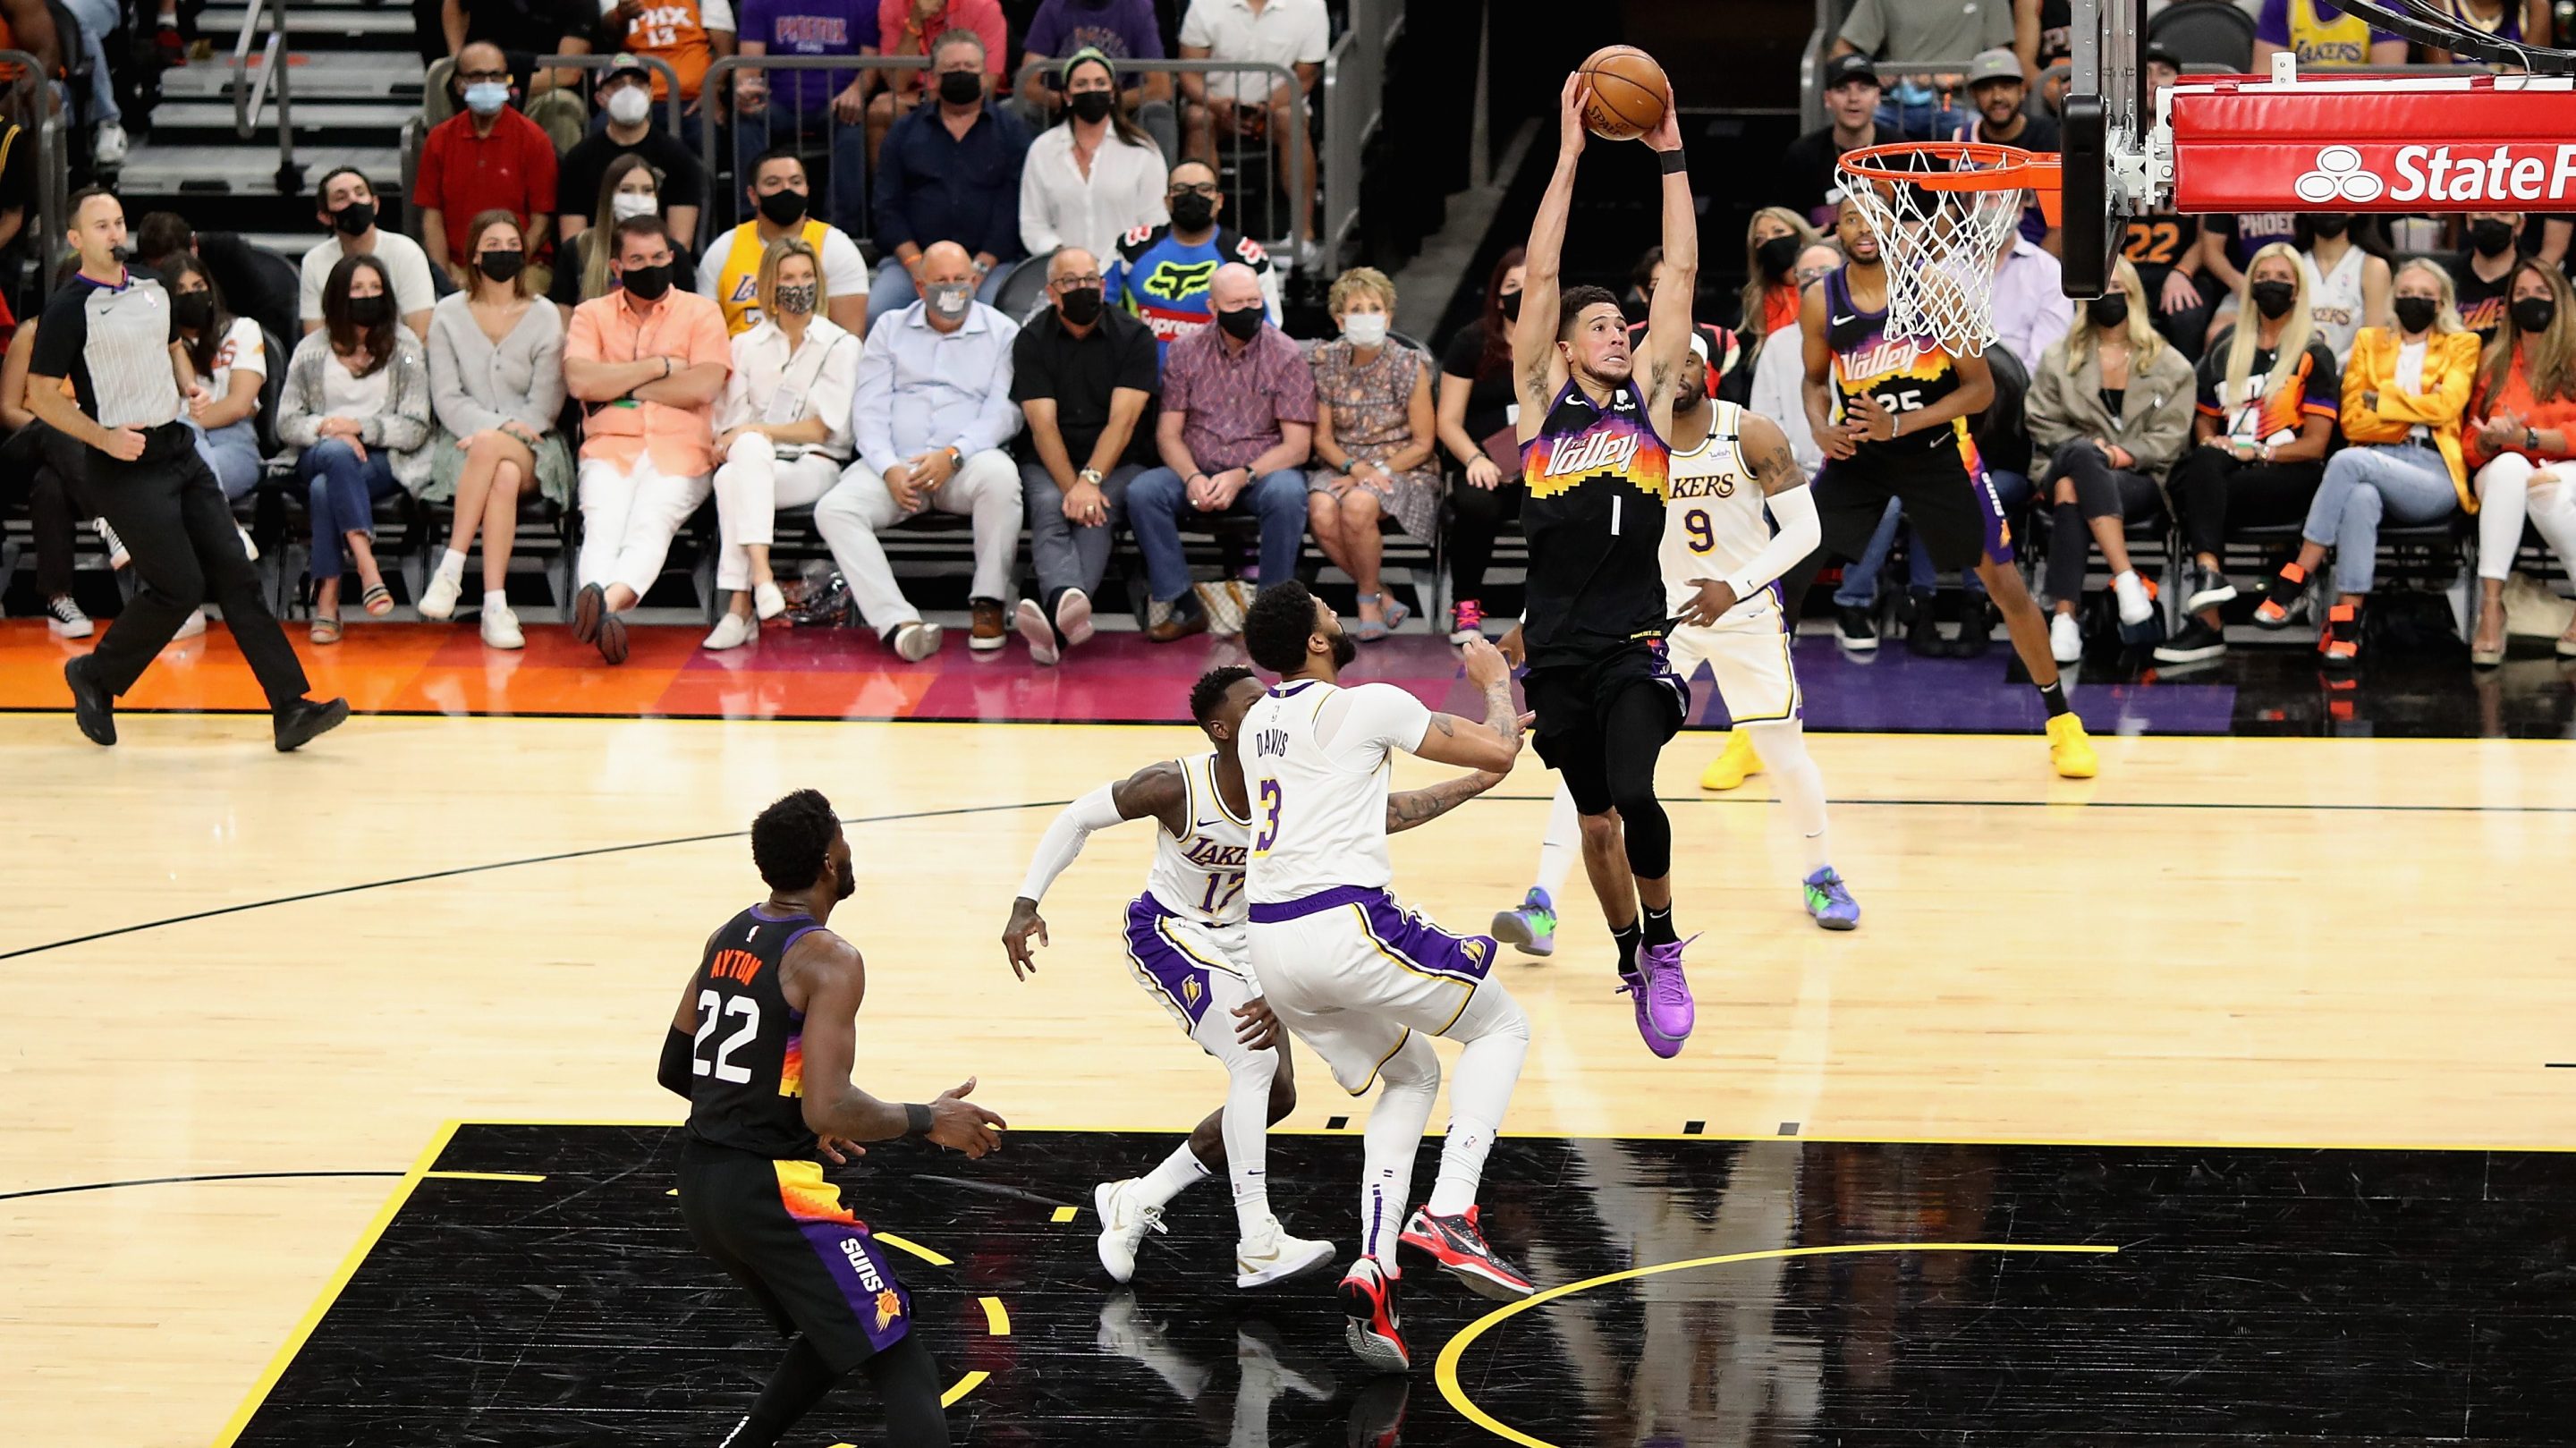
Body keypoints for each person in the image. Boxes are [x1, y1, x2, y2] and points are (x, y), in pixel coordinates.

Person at [1004, 667, 1404, 1289]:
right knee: (1254, 1062)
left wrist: (1477, 775)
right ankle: (1258, 1239)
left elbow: (1389, 815)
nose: (1270, 709)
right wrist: (1027, 902)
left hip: (1251, 941)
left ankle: (1136, 1198)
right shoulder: (1174, 785)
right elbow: (1076, 818)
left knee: (1278, 1096)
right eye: (1252, 704)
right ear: (1221, 728)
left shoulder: (1291, 784)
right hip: (1171, 932)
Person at [1236, 581, 1534, 1372]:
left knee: (1413, 1074)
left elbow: (1377, 811)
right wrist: (1496, 683)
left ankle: (1375, 1264)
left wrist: (1474, 779)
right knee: (1501, 1024)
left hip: (1273, 947)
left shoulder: (1260, 723)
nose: (1336, 612)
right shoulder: (1370, 703)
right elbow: (1500, 745)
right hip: (1346, 926)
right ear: (1312, 641)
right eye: (1324, 609)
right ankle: (1452, 1209)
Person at [657, 787, 1004, 1448]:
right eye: (843, 838)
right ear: (827, 861)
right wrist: (930, 1117)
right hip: (771, 1192)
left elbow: (678, 1067)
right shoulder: (828, 958)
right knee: (896, 1339)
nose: (849, 849)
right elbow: (829, 1103)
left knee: (834, 1327)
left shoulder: (726, 935)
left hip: (702, 1184)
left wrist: (792, 1117)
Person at [1499, 72, 1708, 1060]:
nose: (1619, 333)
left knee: (1636, 790)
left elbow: (1678, 275)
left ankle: (1664, 945)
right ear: (1563, 348)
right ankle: (1629, 948)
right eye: (1602, 328)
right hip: (1558, 649)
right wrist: (1573, 155)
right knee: (1593, 825)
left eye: (1623, 328)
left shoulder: (1652, 405)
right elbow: (1539, 282)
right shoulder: (1542, 408)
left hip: (1634, 639)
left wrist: (1668, 153)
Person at [1789, 193, 2100, 775]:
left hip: (1936, 451)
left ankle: (2062, 721)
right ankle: (1756, 729)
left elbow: (1981, 390)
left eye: (1874, 216)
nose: (1863, 228)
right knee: (1786, 581)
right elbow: (1812, 381)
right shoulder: (1819, 299)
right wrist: (1818, 426)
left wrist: (1900, 423)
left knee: (2005, 585)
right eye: (1851, 218)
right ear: (1838, 228)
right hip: (1861, 454)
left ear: (1894, 223)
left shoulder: (1934, 289)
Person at [37, 191, 348, 751]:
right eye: (100, 225)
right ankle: (96, 675)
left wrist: (187, 382)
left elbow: (173, 341)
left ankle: (290, 707)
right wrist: (103, 435)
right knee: (178, 588)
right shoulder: (68, 307)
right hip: (123, 464)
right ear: (76, 239)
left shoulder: (151, 290)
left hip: (179, 450)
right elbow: (40, 397)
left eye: (118, 223)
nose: (114, 233)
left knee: (238, 578)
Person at [2249, 258, 2479, 667]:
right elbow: (2354, 418)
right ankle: (2348, 618)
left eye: (2425, 296)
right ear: (2393, 299)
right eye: (2406, 293)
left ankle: (2298, 574)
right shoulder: (2370, 341)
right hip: (2374, 461)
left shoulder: (2463, 344)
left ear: (2442, 301)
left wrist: (2382, 401)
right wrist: (2410, 412)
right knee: (2359, 496)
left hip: (2432, 471)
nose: (2415, 301)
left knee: (2348, 460)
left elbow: (2447, 408)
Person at [815, 240, 1023, 659]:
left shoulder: (1003, 332)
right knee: (834, 509)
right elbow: (868, 410)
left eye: (961, 280)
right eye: (941, 281)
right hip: (896, 467)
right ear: (918, 284)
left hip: (964, 463)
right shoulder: (889, 328)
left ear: (975, 281)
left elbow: (1005, 414)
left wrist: (953, 454)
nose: (952, 289)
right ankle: (898, 621)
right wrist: (889, 467)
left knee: (1002, 479)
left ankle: (989, 603)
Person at [2154, 242, 2341, 666]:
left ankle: (2208, 618)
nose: (2270, 286)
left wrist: (2254, 451)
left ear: (2298, 291)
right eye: (2262, 278)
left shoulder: (2315, 353)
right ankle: (2210, 579)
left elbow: (2316, 443)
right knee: (2197, 466)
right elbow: (2204, 420)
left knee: (2198, 483)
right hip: (2227, 475)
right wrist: (2214, 444)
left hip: (2289, 473)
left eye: (2281, 280)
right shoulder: (2225, 348)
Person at [564, 215, 734, 665]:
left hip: (682, 450)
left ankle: (603, 604)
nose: (651, 265)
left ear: (673, 258)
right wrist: (661, 367)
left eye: (659, 257)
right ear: (617, 268)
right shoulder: (591, 314)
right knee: (603, 525)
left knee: (650, 522)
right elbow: (581, 382)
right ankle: (606, 609)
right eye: (638, 259)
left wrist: (619, 387)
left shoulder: (702, 311)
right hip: (609, 447)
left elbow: (703, 387)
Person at [1126, 262, 1313, 643]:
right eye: (1236, 302)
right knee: (1143, 492)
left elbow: (1297, 447)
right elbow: (1168, 434)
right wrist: (1192, 477)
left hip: (1261, 472)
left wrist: (1243, 474)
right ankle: (1183, 603)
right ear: (1213, 308)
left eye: (1254, 300)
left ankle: (1269, 612)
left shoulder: (1287, 355)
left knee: (1289, 494)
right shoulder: (1184, 351)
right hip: (1198, 467)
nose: (1248, 310)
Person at [2025, 257, 2193, 664]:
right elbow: (2040, 421)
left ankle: (2064, 618)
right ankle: (2126, 578)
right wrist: (2091, 452)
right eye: (2100, 287)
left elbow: (2172, 436)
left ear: (2133, 295)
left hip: (2138, 476)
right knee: (2079, 460)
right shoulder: (2058, 358)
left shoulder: (2170, 364)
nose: (2109, 296)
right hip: (2059, 462)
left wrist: (2119, 454)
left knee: (2072, 489)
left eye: (2117, 286)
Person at [704, 236, 862, 650]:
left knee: (736, 471)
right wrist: (748, 435)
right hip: (758, 465)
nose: (799, 285)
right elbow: (728, 425)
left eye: (807, 276)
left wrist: (755, 432)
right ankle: (759, 580)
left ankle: (741, 605)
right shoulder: (744, 346)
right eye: (788, 277)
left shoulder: (841, 345)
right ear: (770, 285)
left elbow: (823, 429)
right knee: (736, 470)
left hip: (814, 465)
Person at [426, 210, 571, 649]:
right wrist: (491, 432)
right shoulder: (448, 314)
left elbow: (544, 407)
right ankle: (494, 604)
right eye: (493, 246)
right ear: (473, 256)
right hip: (462, 443)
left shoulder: (545, 316)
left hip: (536, 444)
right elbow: (447, 399)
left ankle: (451, 568)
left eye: (512, 245)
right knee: (500, 474)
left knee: (498, 453)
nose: (504, 253)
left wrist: (497, 433)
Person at [1011, 245, 1157, 665]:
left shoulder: (1134, 336)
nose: (1083, 288)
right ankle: (1068, 606)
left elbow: (1123, 423)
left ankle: (1056, 616)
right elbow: (1042, 425)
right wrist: (1072, 487)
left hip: (1120, 457)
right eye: (1071, 282)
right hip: (1049, 455)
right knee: (1047, 504)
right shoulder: (1032, 339)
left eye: (1090, 279)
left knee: (1098, 510)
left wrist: (1089, 482)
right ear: (1053, 293)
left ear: (1104, 285)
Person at [279, 255, 437, 643]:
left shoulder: (405, 346)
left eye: (374, 289)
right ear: (337, 297)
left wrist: (361, 429)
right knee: (335, 455)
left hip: (383, 461)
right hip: (317, 452)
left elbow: (417, 426)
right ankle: (367, 566)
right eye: (356, 290)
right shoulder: (310, 350)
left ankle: (329, 601)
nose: (366, 297)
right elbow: (286, 422)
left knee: (324, 488)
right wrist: (328, 428)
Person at [1306, 267, 1437, 640]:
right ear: (1339, 318)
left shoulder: (1409, 364)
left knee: (1359, 506)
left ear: (1389, 315)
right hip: (1342, 463)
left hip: (1403, 466)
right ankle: (1385, 594)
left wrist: (1372, 471)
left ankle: (1366, 599)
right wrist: (1354, 466)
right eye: (1356, 309)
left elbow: (1423, 442)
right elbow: (1323, 439)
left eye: (1375, 308)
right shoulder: (1325, 362)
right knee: (1321, 509)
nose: (1367, 316)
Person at [868, 29, 1031, 323]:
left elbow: (1012, 208)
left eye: (970, 68)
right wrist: (918, 266)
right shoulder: (903, 133)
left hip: (987, 265)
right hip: (913, 264)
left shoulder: (1011, 132)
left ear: (984, 75)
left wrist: (979, 268)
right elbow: (887, 207)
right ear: (933, 78)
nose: (962, 74)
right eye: (952, 69)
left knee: (996, 318)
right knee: (876, 313)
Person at [2464, 258, 2576, 664]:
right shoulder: (2492, 360)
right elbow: (2469, 444)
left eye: (2542, 293)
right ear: (2508, 303)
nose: (2531, 302)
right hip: (2502, 469)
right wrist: (2493, 441)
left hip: (2564, 468)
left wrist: (2529, 438)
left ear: (2561, 301)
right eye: (2522, 294)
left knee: (2546, 486)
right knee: (2514, 468)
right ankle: (2492, 607)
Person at [1177, 0, 1326, 268]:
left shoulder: (1311, 6)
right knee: (1198, 119)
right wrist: (1218, 105)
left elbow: (1304, 77)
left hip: (1277, 107)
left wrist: (1264, 108)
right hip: (1217, 106)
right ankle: (1198, 232)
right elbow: (1189, 74)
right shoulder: (1204, 5)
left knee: (1291, 119)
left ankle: (1303, 235)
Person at [1436, 247, 1526, 644]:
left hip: (1544, 464)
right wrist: (1475, 458)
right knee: (1476, 503)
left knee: (1567, 505)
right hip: (1483, 461)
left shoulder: (1563, 343)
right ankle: (1466, 605)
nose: (1522, 294)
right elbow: (1448, 421)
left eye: (1530, 285)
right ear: (1499, 296)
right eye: (1512, 286)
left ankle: (1544, 609)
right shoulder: (1471, 342)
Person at [1107, 158, 1281, 360]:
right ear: (1167, 201)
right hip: (1141, 382)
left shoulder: (1246, 257)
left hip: (1217, 384)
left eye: (1204, 189)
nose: (1192, 196)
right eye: (1181, 189)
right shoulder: (1132, 247)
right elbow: (1099, 307)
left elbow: (1270, 331)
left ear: (1219, 201)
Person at [731, 0, 879, 233]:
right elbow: (749, 65)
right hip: (777, 103)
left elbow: (871, 64)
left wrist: (857, 90)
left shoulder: (865, 4)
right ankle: (751, 222)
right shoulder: (758, 3)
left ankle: (842, 232)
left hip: (836, 104)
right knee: (748, 121)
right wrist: (744, 88)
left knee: (852, 128)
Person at [414, 42, 559, 281]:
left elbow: (541, 221)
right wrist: (443, 276)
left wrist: (510, 266)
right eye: (478, 76)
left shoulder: (534, 139)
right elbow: (432, 217)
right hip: (459, 267)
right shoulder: (439, 139)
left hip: (524, 266)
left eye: (496, 76)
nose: (488, 83)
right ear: (460, 84)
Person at [1, 303, 104, 639]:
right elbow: (7, 409)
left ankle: (58, 598)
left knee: (51, 485)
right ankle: (108, 519)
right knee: (52, 429)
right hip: (21, 450)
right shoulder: (31, 334)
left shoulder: (105, 340)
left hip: (76, 461)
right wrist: (63, 428)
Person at [1020, 49, 1170, 269]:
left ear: (1112, 93)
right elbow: (1033, 224)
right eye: (1081, 84)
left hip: (1126, 272)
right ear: (1067, 96)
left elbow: (1156, 221)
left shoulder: (1143, 151)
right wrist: (1064, 255)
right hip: (1063, 274)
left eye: (1100, 83)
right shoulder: (1042, 150)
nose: (1092, 90)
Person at [700, 148, 873, 337]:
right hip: (740, 362)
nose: (786, 189)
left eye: (795, 182)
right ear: (752, 195)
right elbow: (709, 339)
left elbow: (850, 339)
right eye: (773, 183)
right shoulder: (723, 249)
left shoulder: (836, 247)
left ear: (807, 189)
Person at [2116, 46, 2214, 361]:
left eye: (2164, 73)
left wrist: (2183, 271)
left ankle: (2187, 401)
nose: (2152, 82)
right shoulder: (2112, 142)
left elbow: (2208, 233)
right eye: (2144, 72)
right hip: (2123, 267)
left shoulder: (2197, 144)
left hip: (2176, 267)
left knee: (2187, 313)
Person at [555, 55, 708, 251]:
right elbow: (573, 242)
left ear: (650, 94)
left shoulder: (677, 157)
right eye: (618, 85)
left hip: (657, 266)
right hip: (598, 266)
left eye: (637, 84)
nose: (629, 92)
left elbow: (680, 243)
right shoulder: (579, 159)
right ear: (600, 99)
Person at [164, 255, 268, 507]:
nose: (191, 295)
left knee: (188, 481)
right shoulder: (158, 344)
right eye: (180, 290)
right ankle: (230, 535)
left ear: (211, 290)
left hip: (234, 439)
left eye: (198, 287)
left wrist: (186, 421)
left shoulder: (243, 329)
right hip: (176, 446)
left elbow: (239, 405)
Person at [1832, 0, 2012, 140]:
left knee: (1981, 133)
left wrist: (1951, 78)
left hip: (1957, 103)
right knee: (1854, 128)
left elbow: (2001, 61)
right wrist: (1872, 73)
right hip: (1894, 103)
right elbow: (1840, 53)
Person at [1017, 0, 1174, 152]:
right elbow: (1027, 83)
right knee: (1016, 107)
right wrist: (1073, 103)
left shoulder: (1138, 7)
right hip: (1063, 109)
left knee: (1158, 112)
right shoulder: (1054, 6)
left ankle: (1163, 177)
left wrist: (1104, 102)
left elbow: (1161, 88)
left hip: (1123, 112)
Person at [300, 168, 438, 340]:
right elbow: (314, 338)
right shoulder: (314, 261)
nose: (353, 200)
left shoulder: (406, 252)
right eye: (341, 197)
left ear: (375, 205)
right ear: (326, 216)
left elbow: (420, 333)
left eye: (360, 193)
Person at [133, 212, 302, 351]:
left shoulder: (228, 254)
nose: (170, 275)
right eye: (160, 269)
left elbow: (268, 314)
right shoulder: (143, 278)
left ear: (193, 247)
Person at [555, 152, 704, 310]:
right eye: (626, 190)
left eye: (647, 190)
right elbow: (563, 314)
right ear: (608, 195)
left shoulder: (674, 253)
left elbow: (688, 313)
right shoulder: (577, 249)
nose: (638, 199)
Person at [866, 0, 1009, 165]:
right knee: (881, 110)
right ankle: (887, 189)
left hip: (967, 96)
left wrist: (926, 100)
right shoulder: (892, 5)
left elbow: (986, 87)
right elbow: (897, 82)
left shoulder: (984, 6)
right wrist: (914, 23)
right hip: (913, 97)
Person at [1777, 55, 1901, 226]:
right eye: (1842, 89)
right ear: (1827, 99)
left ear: (1877, 96)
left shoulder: (1901, 151)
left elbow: (1913, 222)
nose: (1853, 98)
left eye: (1863, 89)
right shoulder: (1802, 155)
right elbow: (1789, 222)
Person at [1954, 47, 2058, 246]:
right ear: (1973, 95)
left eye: (2006, 86)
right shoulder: (1959, 141)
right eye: (1986, 88)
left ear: (2022, 91)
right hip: (1972, 261)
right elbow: (1946, 216)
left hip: (2036, 255)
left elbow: (2061, 225)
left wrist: (2039, 272)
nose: (1997, 97)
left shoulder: (2050, 138)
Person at [598, 0, 737, 144]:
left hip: (693, 102)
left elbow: (724, 50)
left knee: (706, 134)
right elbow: (607, 32)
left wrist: (712, 90)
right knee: (602, 132)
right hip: (633, 97)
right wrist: (620, 16)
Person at [2298, 213, 2391, 367]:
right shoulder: (2293, 263)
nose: (2328, 208)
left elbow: (2373, 340)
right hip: (2297, 378)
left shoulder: (2373, 267)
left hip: (2349, 377)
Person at [1739, 208, 1820, 362]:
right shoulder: (1755, 303)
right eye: (1760, 239)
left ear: (1800, 237)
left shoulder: (1827, 288)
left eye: (1778, 232)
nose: (1770, 241)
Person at [2252, 0, 2407, 68]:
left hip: (2361, 111)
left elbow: (2387, 84)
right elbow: (2266, 80)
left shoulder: (2387, 6)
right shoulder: (2281, 3)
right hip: (2301, 111)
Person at [2450, 211, 2524, 343]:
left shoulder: (2537, 279)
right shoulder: (2447, 275)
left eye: (2503, 214)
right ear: (2469, 221)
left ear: (2519, 226)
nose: (2492, 220)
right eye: (2483, 213)